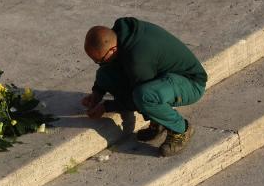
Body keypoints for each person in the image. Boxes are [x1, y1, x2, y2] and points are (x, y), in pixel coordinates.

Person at [80, 17, 207, 156]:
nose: (99, 63)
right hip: (162, 76)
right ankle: (158, 121)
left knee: (145, 96)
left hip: (190, 83)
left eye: (99, 60)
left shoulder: (138, 60)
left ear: (112, 49)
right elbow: (108, 70)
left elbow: (136, 100)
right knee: (105, 73)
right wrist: (97, 93)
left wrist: (106, 107)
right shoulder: (121, 36)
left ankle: (181, 129)